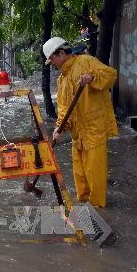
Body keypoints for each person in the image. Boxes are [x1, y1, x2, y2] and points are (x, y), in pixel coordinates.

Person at [43, 37, 118, 208]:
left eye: (52, 59)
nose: (53, 64)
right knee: (80, 176)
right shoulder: (61, 80)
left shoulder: (86, 61)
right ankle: (84, 208)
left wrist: (92, 77)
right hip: (78, 135)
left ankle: (98, 210)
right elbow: (64, 110)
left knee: (95, 176)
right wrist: (59, 128)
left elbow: (111, 75)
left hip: (94, 130)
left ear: (61, 53)